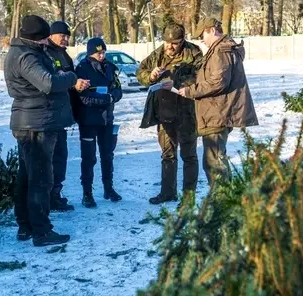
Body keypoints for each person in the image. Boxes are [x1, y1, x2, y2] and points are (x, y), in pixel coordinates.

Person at [4, 15, 89, 247]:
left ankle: (26, 226)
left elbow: (43, 80)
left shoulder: (24, 52)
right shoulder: (26, 56)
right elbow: (48, 83)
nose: (46, 43)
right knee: (40, 179)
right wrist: (70, 78)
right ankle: (41, 231)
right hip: (36, 124)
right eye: (43, 39)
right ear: (36, 38)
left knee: (27, 177)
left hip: (32, 120)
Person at [178, 17, 258, 186]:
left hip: (217, 113)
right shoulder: (223, 49)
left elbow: (217, 82)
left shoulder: (220, 52)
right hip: (217, 112)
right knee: (216, 159)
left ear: (212, 30)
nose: (201, 39)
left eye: (203, 34)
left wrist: (190, 91)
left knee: (213, 162)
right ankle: (225, 201)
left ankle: (222, 203)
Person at [137, 23, 203, 204]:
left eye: (174, 43)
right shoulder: (158, 53)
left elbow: (200, 76)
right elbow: (140, 72)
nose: (170, 47)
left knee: (189, 156)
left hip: (186, 112)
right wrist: (151, 76)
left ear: (182, 41)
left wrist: (176, 82)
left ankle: (188, 197)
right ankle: (168, 193)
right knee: (168, 154)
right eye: (167, 42)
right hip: (165, 112)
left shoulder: (193, 52)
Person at [74, 37, 123, 208]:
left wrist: (113, 96)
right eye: (98, 53)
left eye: (103, 52)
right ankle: (87, 193)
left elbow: (118, 89)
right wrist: (106, 98)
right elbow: (83, 97)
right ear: (90, 53)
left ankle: (108, 188)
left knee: (107, 155)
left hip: (107, 120)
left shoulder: (109, 67)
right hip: (88, 120)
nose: (102, 56)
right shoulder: (82, 68)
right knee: (89, 158)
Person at [44, 20, 82, 211]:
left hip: (63, 114)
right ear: (51, 35)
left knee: (61, 156)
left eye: (67, 36)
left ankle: (56, 193)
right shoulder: (46, 53)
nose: (65, 39)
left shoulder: (64, 54)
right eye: (62, 35)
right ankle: (48, 196)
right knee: (51, 158)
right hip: (50, 114)